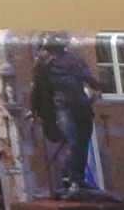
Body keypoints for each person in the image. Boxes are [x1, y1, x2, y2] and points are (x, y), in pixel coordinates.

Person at [31, 33, 103, 196]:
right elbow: (37, 89)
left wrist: (102, 85)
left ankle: (78, 180)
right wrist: (33, 109)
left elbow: (90, 81)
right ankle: (73, 180)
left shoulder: (72, 61)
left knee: (80, 143)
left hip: (78, 106)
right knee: (75, 143)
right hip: (65, 106)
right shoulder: (45, 64)